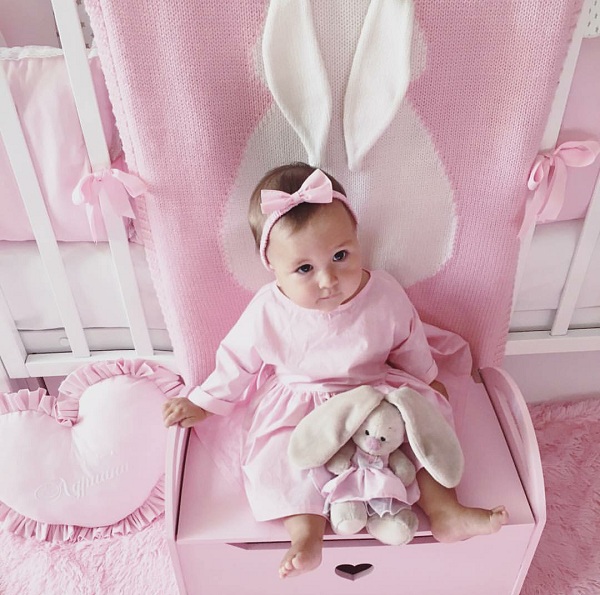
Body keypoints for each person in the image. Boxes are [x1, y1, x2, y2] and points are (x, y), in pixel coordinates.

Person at [163, 162, 508, 579]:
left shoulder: (383, 293)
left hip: (375, 391)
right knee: (282, 457)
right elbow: (236, 360)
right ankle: (306, 534)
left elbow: (409, 339)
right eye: (304, 269)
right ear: (273, 266)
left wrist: (426, 377)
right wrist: (203, 402)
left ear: (357, 240)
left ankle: (445, 510)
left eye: (340, 256)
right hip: (299, 401)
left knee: (421, 433)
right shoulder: (268, 310)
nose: (328, 279)